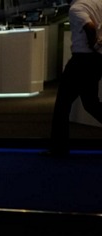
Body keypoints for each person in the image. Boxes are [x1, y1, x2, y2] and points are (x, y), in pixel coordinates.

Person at [48, 0, 102, 155]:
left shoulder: (76, 8)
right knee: (91, 103)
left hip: (82, 59)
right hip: (97, 59)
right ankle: (59, 148)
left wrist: (93, 45)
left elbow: (89, 27)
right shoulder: (98, 3)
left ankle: (59, 148)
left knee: (62, 104)